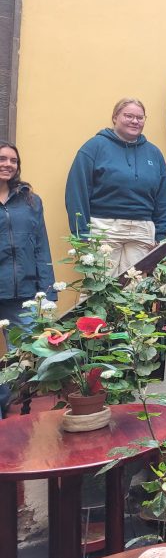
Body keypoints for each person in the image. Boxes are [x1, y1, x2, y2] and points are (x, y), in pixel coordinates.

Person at [65, 98, 166, 274]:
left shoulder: (154, 153)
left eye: (140, 117)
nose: (135, 121)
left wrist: (160, 234)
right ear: (115, 117)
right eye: (128, 116)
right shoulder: (94, 147)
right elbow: (77, 191)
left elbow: (163, 197)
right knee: (99, 290)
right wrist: (81, 233)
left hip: (142, 230)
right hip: (104, 228)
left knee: (136, 290)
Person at [0, 142, 55, 418]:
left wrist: (48, 292)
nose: (7, 164)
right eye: (2, 158)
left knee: (22, 357)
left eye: (13, 160)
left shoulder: (31, 202)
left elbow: (41, 247)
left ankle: (10, 404)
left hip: (23, 293)